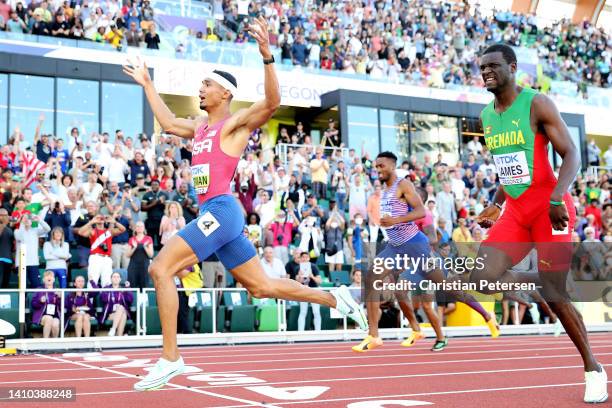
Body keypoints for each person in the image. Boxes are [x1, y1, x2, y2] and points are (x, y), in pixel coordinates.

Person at [123, 16, 366, 391]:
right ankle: (336, 298)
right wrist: (148, 83)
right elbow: (169, 122)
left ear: (224, 93)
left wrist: (267, 56)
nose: (200, 89)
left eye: (207, 85)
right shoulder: (199, 128)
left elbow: (272, 101)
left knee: (160, 268)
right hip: (217, 216)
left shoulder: (234, 124)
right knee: (262, 287)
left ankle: (171, 358)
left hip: (222, 211)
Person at [475, 43, 607, 403]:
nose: (485, 71)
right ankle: (547, 281)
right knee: (482, 276)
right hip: (517, 210)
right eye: (481, 67)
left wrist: (555, 198)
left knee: (556, 296)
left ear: (512, 68)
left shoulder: (537, 103)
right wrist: (494, 204)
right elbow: (510, 167)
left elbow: (572, 153)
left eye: (493, 66)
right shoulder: (487, 115)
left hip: (551, 208)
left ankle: (593, 368)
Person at [77, 214, 127, 288]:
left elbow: (123, 229)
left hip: (107, 259)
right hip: (95, 257)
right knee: (92, 280)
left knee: (107, 282)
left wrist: (114, 222)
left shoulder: (109, 231)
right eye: (98, 218)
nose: (100, 219)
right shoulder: (92, 231)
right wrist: (91, 222)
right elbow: (80, 232)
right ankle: (90, 299)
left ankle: (106, 299)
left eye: (102, 218)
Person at [98, 271, 134, 336]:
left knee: (121, 310)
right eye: (114, 277)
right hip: (111, 314)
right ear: (111, 279)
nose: (116, 278)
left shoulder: (123, 289)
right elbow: (103, 299)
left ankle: (114, 329)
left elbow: (130, 300)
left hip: (122, 312)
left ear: (120, 279)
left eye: (118, 277)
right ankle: (119, 335)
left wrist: (127, 289)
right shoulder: (107, 288)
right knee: (122, 313)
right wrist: (107, 291)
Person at [31, 271, 61, 338]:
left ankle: (54, 343)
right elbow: (33, 304)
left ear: (54, 279)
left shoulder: (58, 290)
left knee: (55, 323)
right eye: (47, 276)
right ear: (43, 279)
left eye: (51, 276)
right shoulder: (39, 290)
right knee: (49, 318)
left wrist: (60, 298)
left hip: (55, 315)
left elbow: (62, 307)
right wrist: (40, 301)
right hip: (42, 315)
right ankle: (45, 341)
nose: (49, 277)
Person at [126, 221, 154, 290]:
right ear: (135, 228)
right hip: (133, 266)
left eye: (141, 226)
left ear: (144, 228)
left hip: (144, 266)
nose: (139, 228)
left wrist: (145, 246)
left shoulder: (148, 239)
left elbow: (151, 255)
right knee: (132, 286)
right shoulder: (131, 239)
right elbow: (127, 255)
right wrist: (134, 247)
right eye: (138, 226)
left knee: (144, 287)